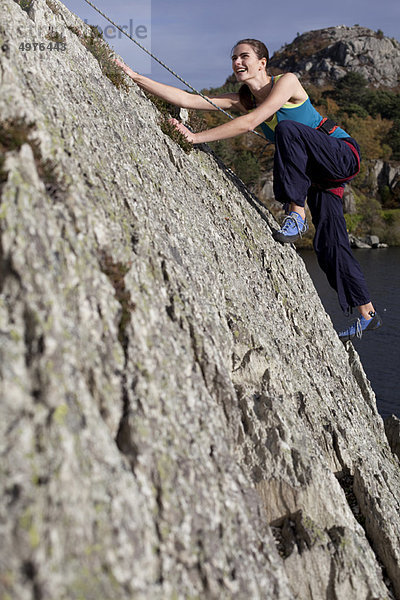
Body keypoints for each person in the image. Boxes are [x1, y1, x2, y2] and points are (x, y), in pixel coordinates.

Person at [114, 39, 382, 342]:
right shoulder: (244, 99)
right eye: (233, 58)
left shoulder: (287, 82)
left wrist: (195, 138)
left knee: (286, 129)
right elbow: (188, 99)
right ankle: (366, 313)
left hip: (339, 153)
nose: (237, 62)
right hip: (320, 177)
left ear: (262, 63)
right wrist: (134, 76)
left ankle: (295, 212)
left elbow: (252, 122)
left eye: (244, 56)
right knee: (329, 245)